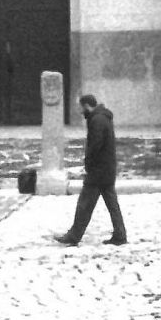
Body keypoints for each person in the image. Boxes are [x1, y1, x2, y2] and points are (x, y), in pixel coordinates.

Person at [53, 93, 127, 246]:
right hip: (107, 168)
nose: (80, 111)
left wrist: (89, 162)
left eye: (81, 107)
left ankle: (73, 236)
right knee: (112, 204)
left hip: (98, 171)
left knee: (84, 204)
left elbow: (95, 145)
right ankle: (120, 235)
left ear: (87, 106)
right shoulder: (103, 118)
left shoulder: (97, 120)